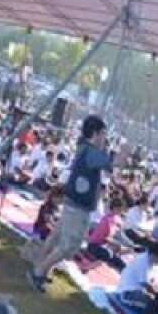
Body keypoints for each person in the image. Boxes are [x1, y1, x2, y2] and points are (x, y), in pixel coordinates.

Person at [29, 116, 117, 292]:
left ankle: (39, 266)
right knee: (68, 245)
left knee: (56, 237)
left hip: (73, 202)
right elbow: (113, 164)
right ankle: (39, 272)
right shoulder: (91, 151)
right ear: (96, 133)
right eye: (103, 134)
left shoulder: (83, 146)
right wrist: (124, 151)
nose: (104, 138)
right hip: (79, 206)